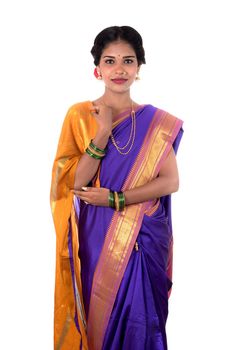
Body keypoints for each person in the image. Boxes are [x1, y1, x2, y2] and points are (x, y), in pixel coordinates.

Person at [50, 25, 183, 350]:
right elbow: (75, 183)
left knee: (143, 319)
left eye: (128, 60)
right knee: (99, 320)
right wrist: (103, 130)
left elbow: (170, 181)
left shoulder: (156, 121)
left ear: (139, 68)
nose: (119, 69)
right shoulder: (81, 115)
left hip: (143, 234)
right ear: (97, 69)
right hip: (96, 235)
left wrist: (116, 199)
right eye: (110, 61)